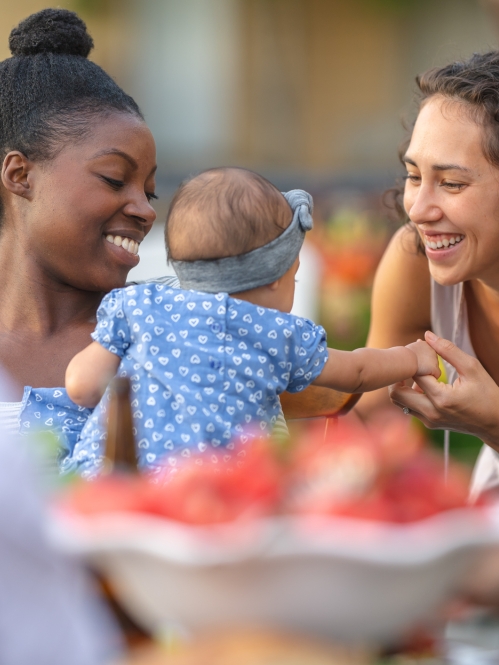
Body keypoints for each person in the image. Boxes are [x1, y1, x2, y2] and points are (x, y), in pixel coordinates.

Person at [64, 167, 439, 476]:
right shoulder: (276, 333)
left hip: (111, 484)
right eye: (293, 278)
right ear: (276, 277)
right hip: (218, 498)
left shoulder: (142, 303)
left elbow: (81, 386)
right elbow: (357, 370)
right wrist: (411, 357)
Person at [0, 9, 157, 462]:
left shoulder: (165, 336)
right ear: (20, 174)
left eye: (150, 192)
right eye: (113, 179)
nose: (145, 210)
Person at [358, 51, 499, 498]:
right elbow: (366, 422)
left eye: (453, 184)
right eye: (414, 176)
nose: (418, 210)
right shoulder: (415, 262)